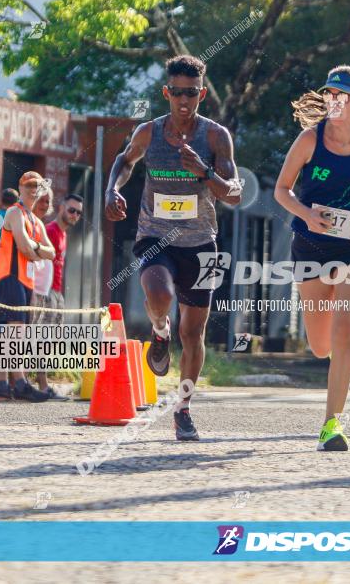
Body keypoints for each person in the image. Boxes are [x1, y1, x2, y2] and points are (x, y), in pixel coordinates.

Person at [104, 55, 241, 441]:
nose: (184, 100)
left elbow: (233, 194)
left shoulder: (216, 137)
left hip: (202, 243)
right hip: (155, 234)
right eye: (177, 92)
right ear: (166, 92)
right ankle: (159, 329)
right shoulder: (150, 132)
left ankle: (183, 409)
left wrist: (205, 171)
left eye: (192, 93)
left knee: (194, 333)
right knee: (160, 293)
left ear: (202, 95)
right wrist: (112, 188)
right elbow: (123, 160)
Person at [274, 65, 350, 451]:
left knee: (346, 331)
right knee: (320, 345)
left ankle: (332, 425)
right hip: (312, 244)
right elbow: (281, 189)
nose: (335, 101)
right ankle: (330, 397)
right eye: (330, 95)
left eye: (344, 96)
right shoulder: (310, 140)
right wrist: (307, 213)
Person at [0, 171, 56, 402]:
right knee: (13, 331)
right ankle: (18, 382)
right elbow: (23, 246)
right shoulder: (14, 212)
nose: (33, 189)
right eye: (28, 185)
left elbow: (52, 252)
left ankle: (4, 385)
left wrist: (34, 248)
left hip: (26, 280)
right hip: (10, 275)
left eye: (37, 185)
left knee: (12, 333)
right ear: (20, 187)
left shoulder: (35, 221)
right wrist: (38, 251)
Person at [31, 192, 83, 400]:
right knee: (40, 339)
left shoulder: (63, 234)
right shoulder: (50, 230)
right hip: (45, 292)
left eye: (78, 213)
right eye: (71, 210)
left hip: (56, 291)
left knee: (47, 340)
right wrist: (38, 293)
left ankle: (38, 383)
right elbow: (39, 262)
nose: (74, 215)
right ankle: (38, 384)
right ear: (61, 208)